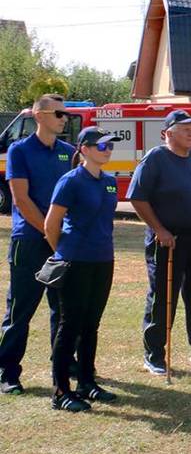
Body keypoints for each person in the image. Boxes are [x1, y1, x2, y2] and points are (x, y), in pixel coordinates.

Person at [43, 127, 122, 411]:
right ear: (84, 149)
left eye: (110, 146)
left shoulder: (110, 182)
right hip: (75, 261)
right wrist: (65, 253)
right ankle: (60, 391)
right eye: (101, 146)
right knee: (70, 325)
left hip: (103, 260)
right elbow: (51, 225)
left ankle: (86, 383)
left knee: (91, 324)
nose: (107, 150)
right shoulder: (70, 181)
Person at [0, 94, 74, 395]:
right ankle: (7, 372)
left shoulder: (69, 152)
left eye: (65, 114)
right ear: (39, 115)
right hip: (30, 241)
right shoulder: (19, 150)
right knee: (20, 309)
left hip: (62, 243)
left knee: (64, 309)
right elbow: (20, 199)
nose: (64, 119)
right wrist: (48, 231)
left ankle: (64, 367)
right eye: (58, 113)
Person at [129, 109, 191, 376]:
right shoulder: (156, 158)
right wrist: (159, 229)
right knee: (163, 297)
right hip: (166, 240)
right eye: (186, 129)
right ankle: (154, 354)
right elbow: (137, 197)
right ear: (168, 133)